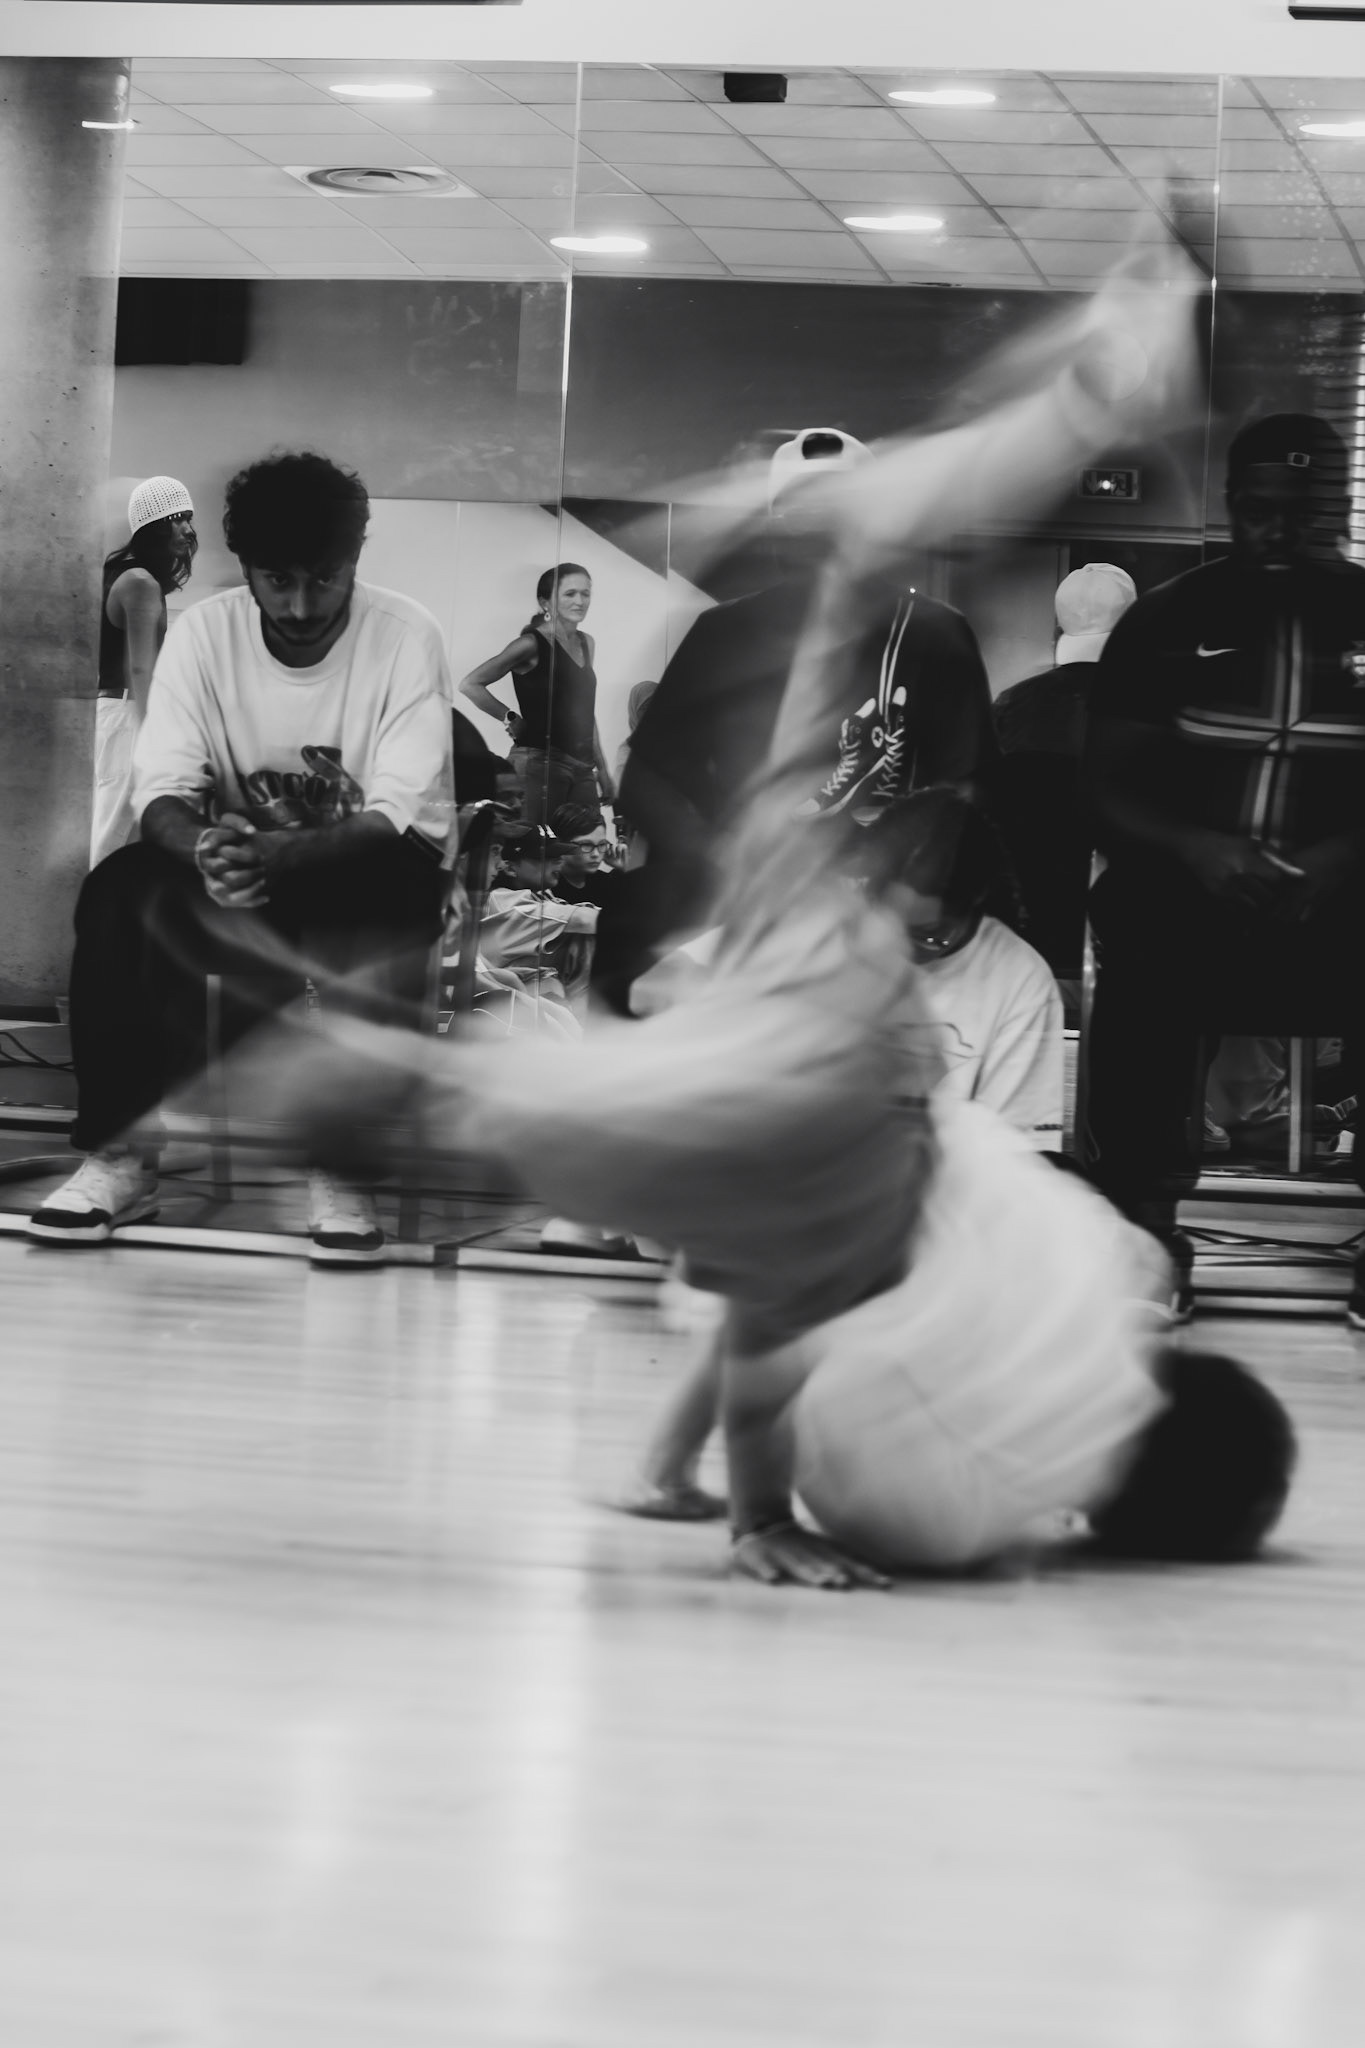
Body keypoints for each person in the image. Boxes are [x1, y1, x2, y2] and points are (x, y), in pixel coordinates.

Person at [224, 251, 1296, 1584]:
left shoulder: (685, 1137)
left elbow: (762, 1314)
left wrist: (735, 1498)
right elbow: (766, 1324)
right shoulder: (704, 1140)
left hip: (817, 1022)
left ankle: (1089, 389)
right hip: (818, 1025)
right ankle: (1089, 390)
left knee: (754, 1209)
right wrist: (758, 1520)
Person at [29, 449, 455, 1266]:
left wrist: (271, 855)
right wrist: (202, 848)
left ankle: (344, 1169)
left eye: (324, 580)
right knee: (119, 889)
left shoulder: (406, 636)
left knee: (395, 901)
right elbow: (160, 791)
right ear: (247, 567)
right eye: (277, 580)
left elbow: (394, 814)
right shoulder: (204, 634)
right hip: (233, 870)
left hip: (361, 868)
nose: (299, 605)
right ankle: (121, 1156)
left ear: (355, 561)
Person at [1083, 414, 1365, 1322]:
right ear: (1232, 503)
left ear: (1339, 506)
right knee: (1138, 945)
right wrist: (1198, 849)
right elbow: (1107, 787)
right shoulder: (1166, 620)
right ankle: (1146, 1234)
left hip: (1342, 905)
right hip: (1191, 899)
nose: (1281, 528)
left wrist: (1339, 856)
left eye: (1306, 508)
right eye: (1260, 507)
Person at [607, 427, 997, 1007]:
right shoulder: (724, 633)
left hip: (874, 936)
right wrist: (724, 864)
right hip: (742, 928)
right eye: (797, 516)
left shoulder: (932, 635)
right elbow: (647, 781)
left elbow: (968, 790)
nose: (815, 534)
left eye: (835, 513)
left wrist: (901, 884)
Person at [861, 788, 1064, 1147]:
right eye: (887, 923)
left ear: (973, 905)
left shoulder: (1019, 980)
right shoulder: (828, 937)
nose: (899, 949)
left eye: (927, 935)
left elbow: (1015, 1151)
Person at [991, 561, 1136, 999]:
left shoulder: (1012, 704)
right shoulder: (1149, 709)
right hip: (1121, 929)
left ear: (1059, 630)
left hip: (1027, 933)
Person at [91, 476, 198, 869]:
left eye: (188, 518)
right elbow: (140, 667)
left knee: (116, 832)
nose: (187, 529)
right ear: (153, 525)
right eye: (176, 519)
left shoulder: (117, 574)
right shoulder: (140, 583)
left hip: (112, 716)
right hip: (128, 716)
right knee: (114, 838)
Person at [458, 564, 616, 825]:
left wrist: (604, 770)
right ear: (545, 602)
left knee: (585, 841)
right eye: (570, 594)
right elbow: (470, 684)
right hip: (540, 761)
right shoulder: (530, 644)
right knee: (534, 842)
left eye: (585, 594)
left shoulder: (587, 643)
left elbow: (585, 711)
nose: (579, 601)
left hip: (582, 768)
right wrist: (509, 716)